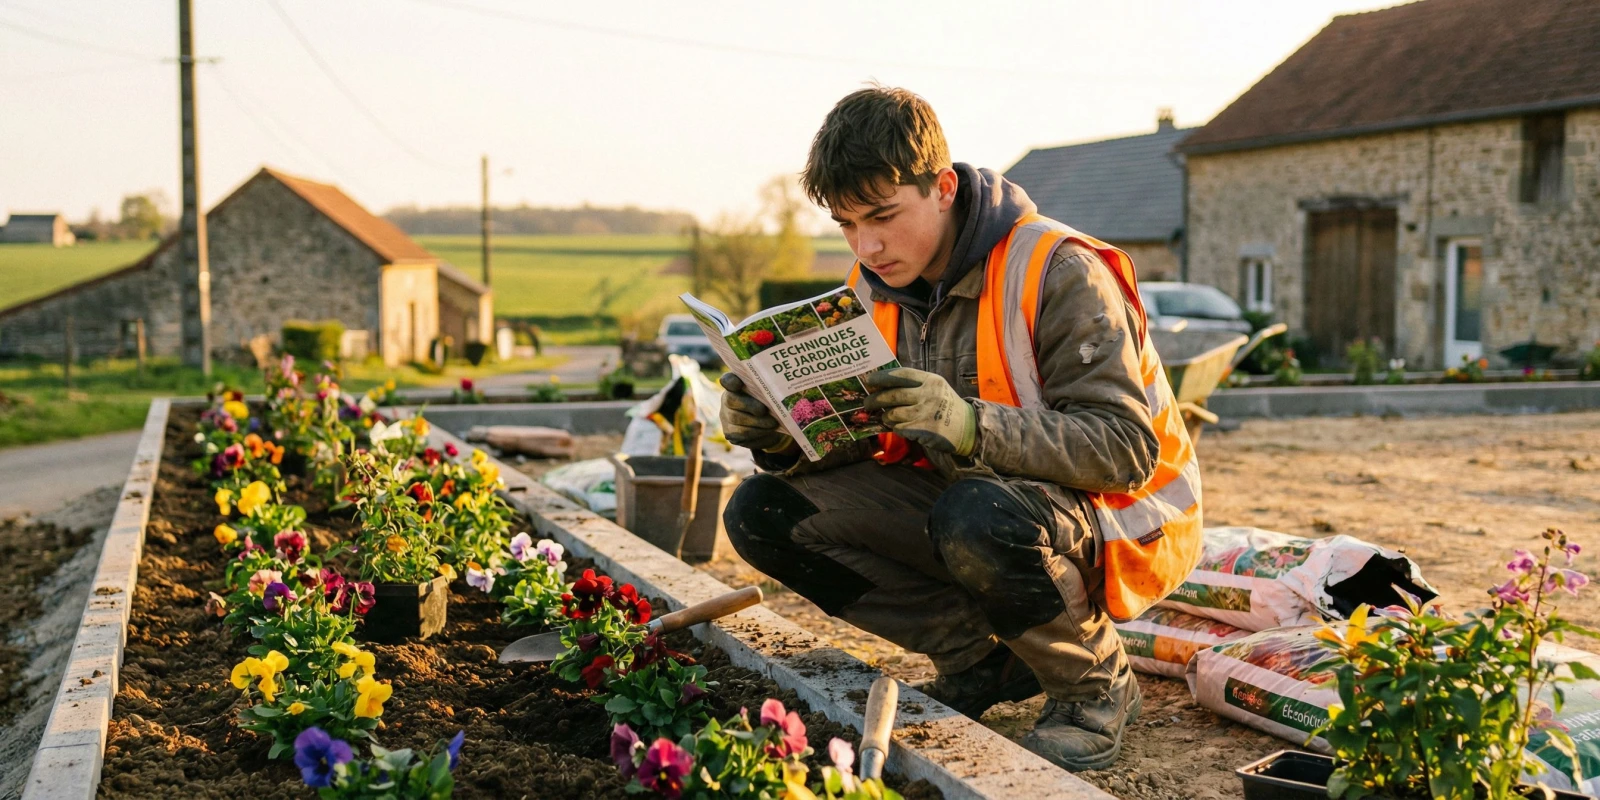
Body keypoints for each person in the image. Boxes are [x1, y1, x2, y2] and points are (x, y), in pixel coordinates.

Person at [718, 85, 1204, 771]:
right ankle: (982, 663)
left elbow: (1125, 450)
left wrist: (970, 424)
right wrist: (776, 433)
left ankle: (1094, 687)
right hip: (972, 503)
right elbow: (871, 443)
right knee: (764, 511)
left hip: (1117, 516)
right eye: (847, 224)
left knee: (977, 515)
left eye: (882, 215)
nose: (867, 245)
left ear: (943, 187)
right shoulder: (873, 289)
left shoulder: (1059, 269)